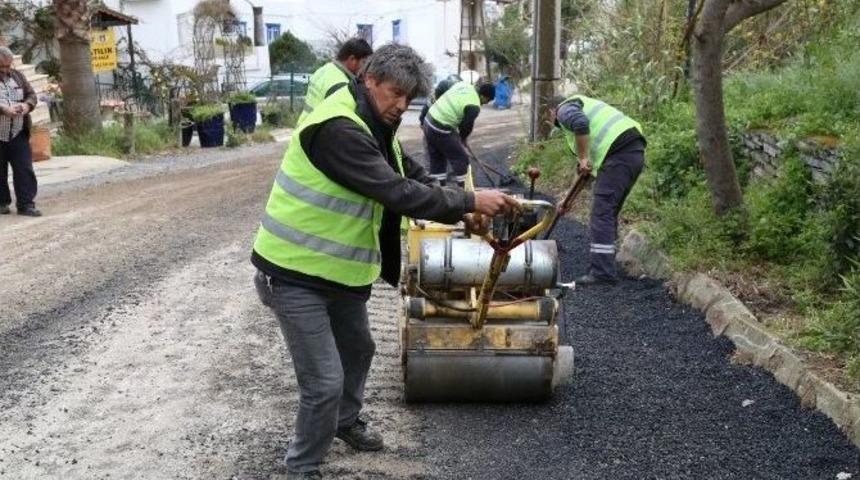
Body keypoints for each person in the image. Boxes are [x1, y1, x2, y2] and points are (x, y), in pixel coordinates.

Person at [250, 43, 517, 480]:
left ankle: (344, 422)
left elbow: (404, 172)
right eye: (394, 93)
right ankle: (302, 465)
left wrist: (462, 207)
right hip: (294, 273)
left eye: (408, 99)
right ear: (368, 78)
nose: (401, 106)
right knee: (324, 382)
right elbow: (394, 192)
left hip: (337, 272)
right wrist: (469, 198)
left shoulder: (372, 119)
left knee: (359, 348)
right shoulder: (338, 128)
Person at [547, 94, 646, 285]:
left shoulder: (565, 109)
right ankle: (607, 262)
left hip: (618, 154)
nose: (551, 122)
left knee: (602, 213)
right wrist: (568, 200)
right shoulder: (585, 108)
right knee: (609, 211)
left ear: (552, 111)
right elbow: (586, 173)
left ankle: (602, 272)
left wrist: (583, 158)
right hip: (633, 152)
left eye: (549, 118)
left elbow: (580, 123)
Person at [421, 80, 495, 187]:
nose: (485, 104)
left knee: (438, 159)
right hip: (440, 126)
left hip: (428, 121)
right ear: (484, 96)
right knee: (461, 158)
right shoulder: (474, 105)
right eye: (487, 101)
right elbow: (466, 126)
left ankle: (438, 189)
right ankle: (464, 190)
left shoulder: (464, 85)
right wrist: (462, 140)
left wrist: (459, 138)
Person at [0, 46, 40, 217]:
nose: (6, 70)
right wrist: (3, 109)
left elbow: (31, 95)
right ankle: (1, 203)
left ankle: (26, 204)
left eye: (8, 66)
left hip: (18, 132)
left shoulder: (18, 76)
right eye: (2, 67)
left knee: (24, 169)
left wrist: (26, 105)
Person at [297, 38, 373, 125]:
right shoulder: (342, 85)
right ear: (352, 59)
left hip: (304, 126)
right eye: (364, 63)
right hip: (315, 132)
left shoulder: (324, 70)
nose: (366, 69)